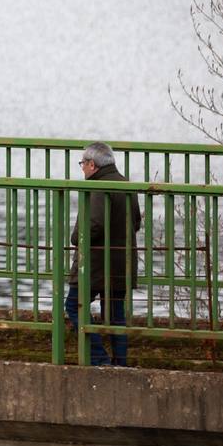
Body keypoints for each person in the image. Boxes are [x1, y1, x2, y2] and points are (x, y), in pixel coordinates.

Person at [64, 141, 141, 366]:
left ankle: (99, 358)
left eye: (82, 164)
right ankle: (121, 362)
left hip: (95, 264)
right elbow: (136, 222)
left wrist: (76, 238)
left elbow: (94, 224)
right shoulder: (126, 184)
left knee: (74, 305)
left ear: (92, 165)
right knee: (116, 314)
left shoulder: (97, 186)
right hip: (122, 263)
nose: (82, 169)